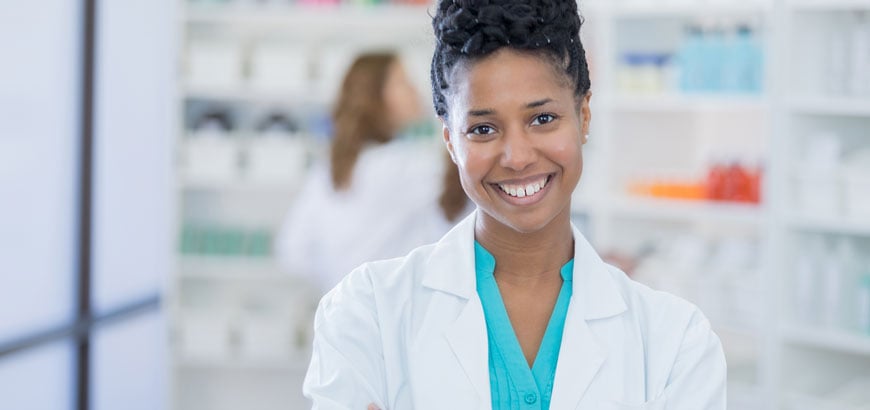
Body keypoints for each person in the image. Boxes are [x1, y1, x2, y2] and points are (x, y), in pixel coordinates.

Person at [303, 1, 727, 409]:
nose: (518, 156)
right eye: (483, 128)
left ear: (584, 116)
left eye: (542, 119)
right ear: (451, 141)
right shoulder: (365, 315)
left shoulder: (675, 342)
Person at [276, 52, 463, 293]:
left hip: (344, 312)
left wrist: (340, 282)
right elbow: (464, 177)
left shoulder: (334, 166)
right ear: (376, 97)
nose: (415, 90)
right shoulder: (398, 166)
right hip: (388, 312)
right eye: (403, 82)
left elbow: (293, 250)